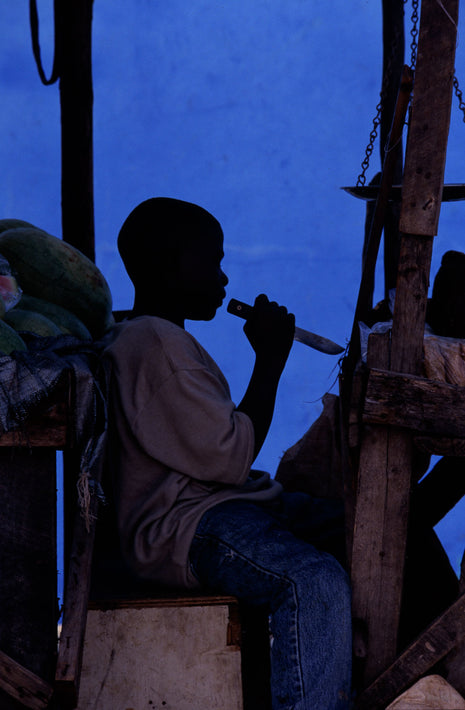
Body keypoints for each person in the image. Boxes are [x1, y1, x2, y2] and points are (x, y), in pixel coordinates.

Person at [102, 196, 352, 710]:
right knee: (313, 580)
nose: (223, 278)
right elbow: (231, 458)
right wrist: (270, 360)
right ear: (168, 265)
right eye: (211, 261)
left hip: (222, 507)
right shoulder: (154, 343)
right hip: (187, 525)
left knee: (369, 532)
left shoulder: (159, 338)